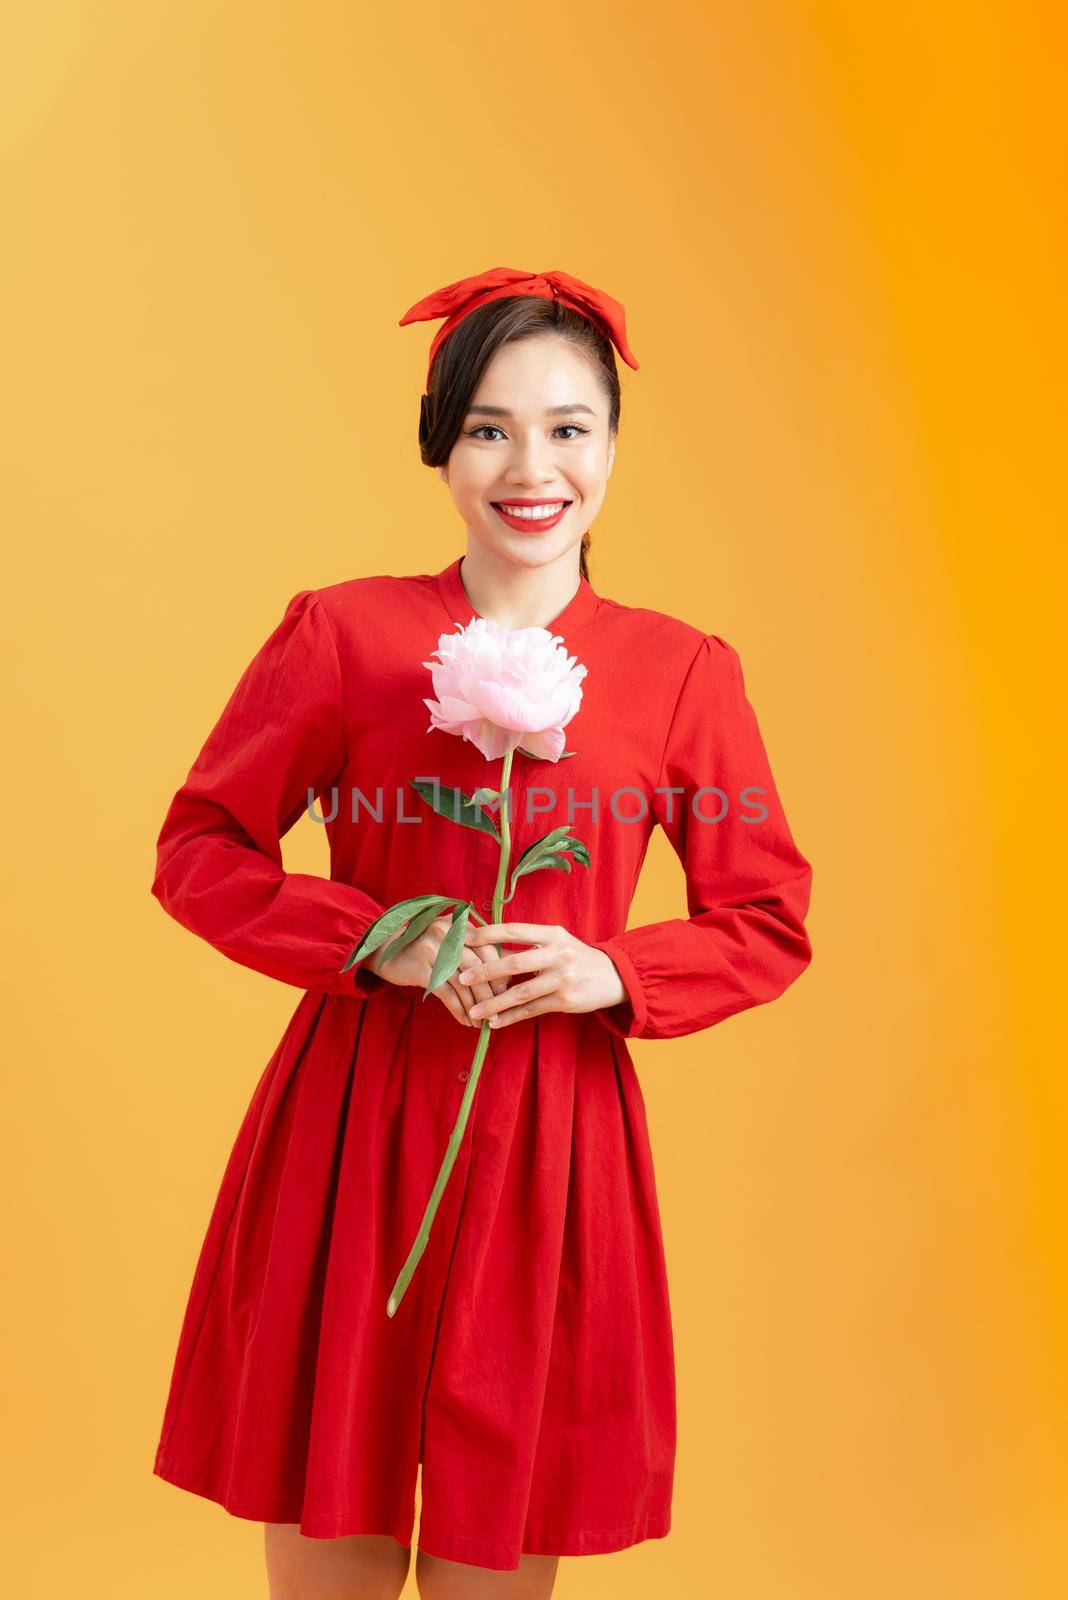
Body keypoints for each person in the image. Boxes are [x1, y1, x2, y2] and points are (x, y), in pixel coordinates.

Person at [149, 268, 814, 1600]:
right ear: (441, 443)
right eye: (492, 428)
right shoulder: (342, 636)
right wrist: (377, 936)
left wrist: (610, 970)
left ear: (614, 448)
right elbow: (199, 853)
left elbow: (768, 918)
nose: (532, 466)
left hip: (549, 1154)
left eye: (570, 428)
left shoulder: (683, 672)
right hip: (353, 1135)